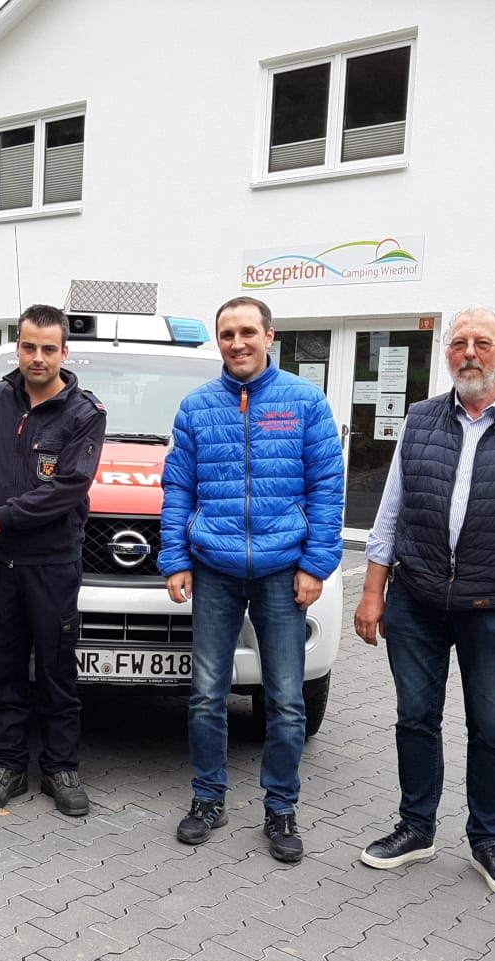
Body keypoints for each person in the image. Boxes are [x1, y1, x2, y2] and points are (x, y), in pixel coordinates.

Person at [353, 306, 495, 899]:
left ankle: (489, 842)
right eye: (458, 343)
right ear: (446, 354)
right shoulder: (422, 419)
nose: (469, 353)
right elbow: (391, 511)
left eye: (483, 343)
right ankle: (416, 827)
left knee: (493, 726)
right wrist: (372, 591)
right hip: (416, 600)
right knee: (415, 719)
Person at [159, 296, 344, 864]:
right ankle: (208, 797)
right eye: (226, 334)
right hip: (213, 569)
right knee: (206, 696)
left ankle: (281, 806)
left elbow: (327, 488)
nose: (237, 343)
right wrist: (176, 558)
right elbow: (178, 490)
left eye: (247, 332)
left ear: (269, 335)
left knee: (287, 700)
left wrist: (316, 565)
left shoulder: (306, 403)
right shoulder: (195, 408)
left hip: (282, 571)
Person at [0, 304, 107, 816]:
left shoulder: (85, 413)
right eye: (28, 346)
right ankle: (6, 765)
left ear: (65, 353)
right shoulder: (0, 397)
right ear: (17, 347)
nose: (37, 357)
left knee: (55, 667)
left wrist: (0, 516)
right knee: (2, 663)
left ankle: (61, 768)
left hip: (51, 560)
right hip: (0, 561)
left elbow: (68, 487)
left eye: (48, 348)